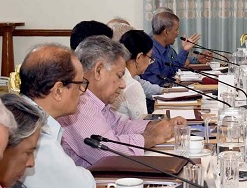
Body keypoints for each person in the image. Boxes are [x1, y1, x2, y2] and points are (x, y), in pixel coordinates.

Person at [10, 44, 96, 188]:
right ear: (58, 91)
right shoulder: (31, 133)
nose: (82, 92)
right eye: (80, 84)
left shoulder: (26, 115)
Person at [59, 36, 185, 167]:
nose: (123, 84)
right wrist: (150, 138)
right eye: (119, 76)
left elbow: (120, 126)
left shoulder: (95, 101)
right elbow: (107, 155)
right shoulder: (81, 104)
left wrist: (155, 126)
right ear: (98, 71)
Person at [141, 11, 201, 86]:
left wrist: (184, 50)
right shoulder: (150, 51)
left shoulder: (165, 47)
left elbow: (172, 70)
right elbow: (155, 84)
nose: (178, 33)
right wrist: (173, 82)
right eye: (176, 29)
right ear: (166, 32)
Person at [112, 30, 155, 120]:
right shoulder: (132, 86)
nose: (150, 62)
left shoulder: (113, 76)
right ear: (139, 57)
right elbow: (142, 126)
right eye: (150, 57)